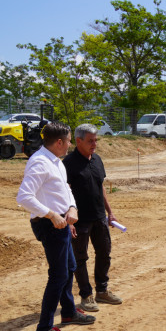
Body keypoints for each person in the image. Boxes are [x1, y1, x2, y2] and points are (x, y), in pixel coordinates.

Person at [17, 122, 96, 331]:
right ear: (59, 142)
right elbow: (24, 197)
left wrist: (71, 208)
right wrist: (52, 215)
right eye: (69, 140)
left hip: (62, 223)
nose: (70, 144)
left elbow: (66, 190)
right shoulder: (40, 163)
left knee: (70, 267)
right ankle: (44, 328)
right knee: (59, 275)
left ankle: (69, 311)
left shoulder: (56, 162)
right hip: (49, 226)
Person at [63, 123, 123, 312]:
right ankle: (86, 295)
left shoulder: (97, 160)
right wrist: (68, 220)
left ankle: (102, 291)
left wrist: (110, 212)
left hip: (99, 218)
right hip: (80, 221)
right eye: (90, 141)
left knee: (104, 254)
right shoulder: (68, 164)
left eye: (96, 140)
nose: (94, 144)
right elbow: (64, 193)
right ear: (78, 141)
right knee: (80, 258)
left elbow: (101, 187)